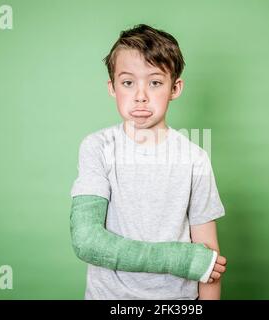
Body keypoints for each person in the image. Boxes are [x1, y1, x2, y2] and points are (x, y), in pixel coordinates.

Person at [70, 24, 227, 300]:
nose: (140, 96)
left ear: (175, 88)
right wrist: (179, 259)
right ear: (112, 87)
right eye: (128, 82)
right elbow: (86, 241)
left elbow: (207, 260)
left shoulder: (195, 159)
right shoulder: (97, 148)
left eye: (155, 82)